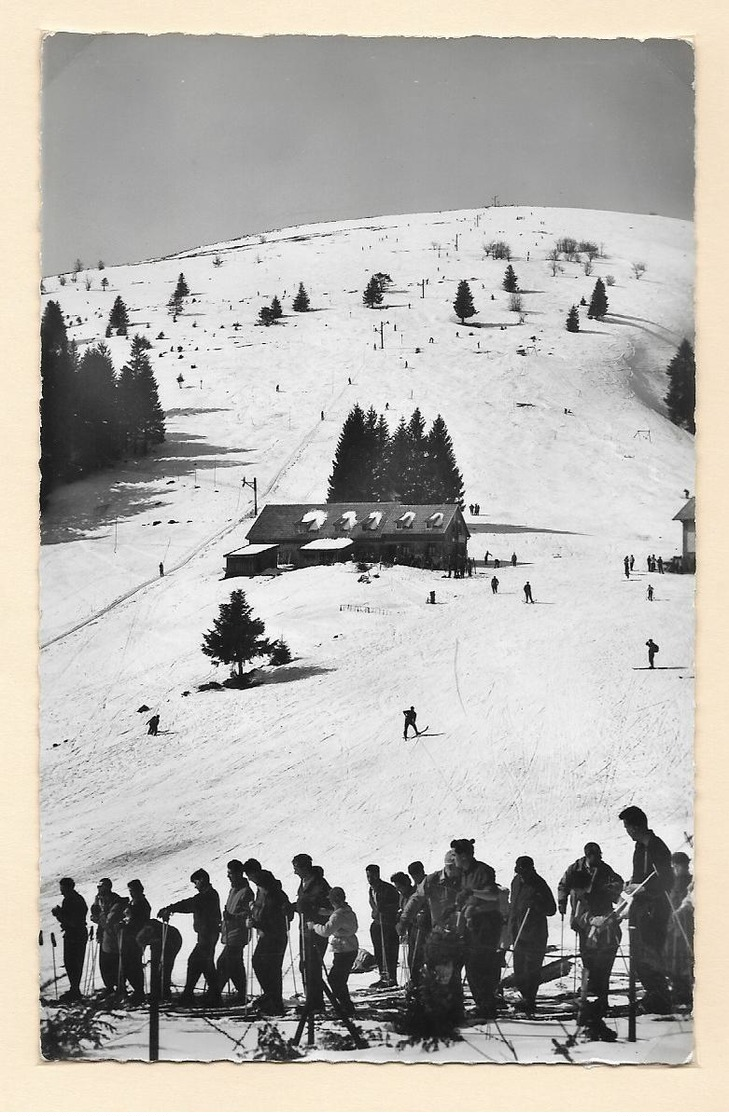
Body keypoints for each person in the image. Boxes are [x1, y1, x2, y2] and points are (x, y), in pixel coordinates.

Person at [398, 850, 465, 1023]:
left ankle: (455, 1010)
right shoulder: (432, 881)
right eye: (454, 868)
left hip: (459, 933)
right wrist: (404, 920)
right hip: (439, 934)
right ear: (448, 866)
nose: (457, 872)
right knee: (438, 972)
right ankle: (440, 1009)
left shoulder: (465, 880)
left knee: (454, 972)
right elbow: (415, 899)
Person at [558, 843, 623, 1018]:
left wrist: (601, 918)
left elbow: (619, 894)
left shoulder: (604, 873)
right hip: (588, 927)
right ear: (588, 855)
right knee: (589, 961)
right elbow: (564, 886)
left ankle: (598, 1000)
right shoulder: (575, 871)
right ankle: (591, 998)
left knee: (601, 966)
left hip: (604, 929)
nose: (599, 859)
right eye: (595, 856)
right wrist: (562, 902)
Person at [618, 806, 673, 1013]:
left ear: (636, 826)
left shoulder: (656, 847)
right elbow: (639, 876)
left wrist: (643, 888)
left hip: (654, 909)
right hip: (641, 909)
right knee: (639, 956)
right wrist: (631, 885)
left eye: (628, 827)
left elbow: (667, 880)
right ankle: (653, 995)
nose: (627, 831)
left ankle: (660, 998)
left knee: (650, 954)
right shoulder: (639, 847)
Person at [450, 838, 509, 1019]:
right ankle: (482, 1004)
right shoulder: (464, 873)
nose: (453, 859)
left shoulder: (483, 870)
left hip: (486, 923)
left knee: (481, 966)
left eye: (455, 855)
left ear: (465, 856)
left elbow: (492, 894)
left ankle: (487, 1006)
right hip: (473, 924)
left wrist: (472, 894)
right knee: (472, 966)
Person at [158, 868, 222, 1007]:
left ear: (202, 880)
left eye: (196, 882)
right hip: (206, 935)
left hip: (207, 935)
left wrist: (170, 908)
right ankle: (212, 995)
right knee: (205, 964)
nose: (195, 885)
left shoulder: (207, 895)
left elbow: (190, 904)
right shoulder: (209, 894)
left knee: (196, 962)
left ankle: (193, 995)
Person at [507, 856, 556, 1016]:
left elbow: (551, 909)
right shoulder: (515, 882)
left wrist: (538, 904)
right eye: (520, 873)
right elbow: (513, 905)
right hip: (517, 931)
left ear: (531, 869)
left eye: (524, 873)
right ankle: (523, 996)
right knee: (519, 968)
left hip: (535, 934)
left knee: (531, 969)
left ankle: (530, 1000)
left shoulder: (539, 884)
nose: (522, 875)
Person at [243, 858, 293, 1015]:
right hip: (268, 934)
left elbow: (274, 919)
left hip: (274, 935)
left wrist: (256, 923)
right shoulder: (263, 888)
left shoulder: (270, 891)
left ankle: (274, 1002)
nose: (249, 879)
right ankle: (273, 1000)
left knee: (267, 967)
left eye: (249, 875)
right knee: (266, 967)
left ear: (254, 873)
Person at [309, 886, 359, 1017]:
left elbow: (326, 931)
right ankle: (345, 1005)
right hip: (350, 947)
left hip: (343, 949)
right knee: (339, 979)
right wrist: (324, 912)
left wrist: (314, 926)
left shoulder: (337, 916)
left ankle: (346, 1007)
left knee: (335, 980)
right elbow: (335, 915)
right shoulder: (347, 911)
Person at [292, 853, 332, 1012]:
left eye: (296, 868)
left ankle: (315, 1003)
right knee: (306, 966)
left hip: (317, 931)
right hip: (305, 930)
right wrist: (293, 907)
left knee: (312, 965)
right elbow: (303, 904)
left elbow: (330, 909)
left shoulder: (320, 884)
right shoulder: (304, 883)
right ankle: (312, 1000)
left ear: (304, 868)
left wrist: (313, 910)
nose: (295, 872)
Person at [216, 860, 254, 1003]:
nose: (228, 876)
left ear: (238, 874)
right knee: (234, 964)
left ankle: (218, 992)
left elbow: (249, 914)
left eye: (230, 873)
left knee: (226, 962)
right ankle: (239, 994)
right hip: (230, 932)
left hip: (238, 933)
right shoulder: (234, 889)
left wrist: (232, 917)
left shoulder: (245, 892)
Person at [51, 877, 88, 1002]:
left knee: (73, 963)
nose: (61, 892)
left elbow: (72, 922)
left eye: (62, 889)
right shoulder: (73, 899)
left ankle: (75, 991)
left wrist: (59, 914)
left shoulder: (72, 901)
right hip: (75, 934)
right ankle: (74, 989)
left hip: (75, 935)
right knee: (71, 963)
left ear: (67, 888)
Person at [666, 852, 693, 1010]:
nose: (679, 868)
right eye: (676, 866)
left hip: (687, 927)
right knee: (673, 960)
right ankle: (677, 993)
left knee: (686, 960)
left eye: (682, 865)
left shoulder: (690, 882)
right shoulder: (672, 882)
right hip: (674, 927)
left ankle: (686, 994)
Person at [90, 878, 126, 994]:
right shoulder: (100, 899)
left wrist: (99, 917)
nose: (99, 889)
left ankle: (119, 986)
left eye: (101, 887)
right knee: (104, 962)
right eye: (98, 887)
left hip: (114, 935)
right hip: (104, 934)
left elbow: (108, 919)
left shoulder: (115, 900)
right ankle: (109, 986)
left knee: (114, 960)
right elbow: (95, 915)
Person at [366, 865, 400, 987]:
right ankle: (383, 977)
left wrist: (383, 910)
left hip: (388, 924)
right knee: (379, 951)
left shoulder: (387, 889)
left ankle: (392, 978)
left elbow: (396, 905)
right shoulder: (371, 889)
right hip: (378, 923)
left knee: (389, 952)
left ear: (378, 874)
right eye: (368, 876)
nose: (370, 879)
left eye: (372, 876)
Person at [121, 879, 151, 1003]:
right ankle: (136, 990)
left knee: (134, 964)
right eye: (130, 891)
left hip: (137, 938)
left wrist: (127, 925)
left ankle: (139, 992)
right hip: (130, 938)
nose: (131, 893)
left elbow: (138, 922)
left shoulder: (142, 904)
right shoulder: (134, 902)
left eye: (133, 890)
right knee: (129, 964)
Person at [136, 919, 183, 1001]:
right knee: (156, 965)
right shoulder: (142, 931)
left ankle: (163, 992)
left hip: (172, 939)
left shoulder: (145, 930)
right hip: (159, 938)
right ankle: (157, 991)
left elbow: (141, 942)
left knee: (164, 966)